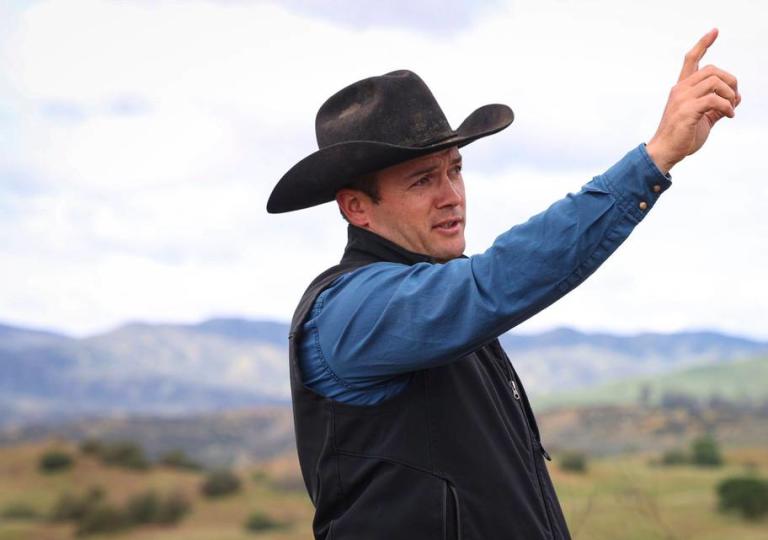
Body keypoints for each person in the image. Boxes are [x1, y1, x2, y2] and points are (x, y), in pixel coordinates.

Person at [267, 29, 740, 540]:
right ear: (357, 206)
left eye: (455, 170)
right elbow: (493, 283)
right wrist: (654, 159)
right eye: (422, 181)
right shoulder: (349, 310)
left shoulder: (437, 295)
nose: (451, 196)